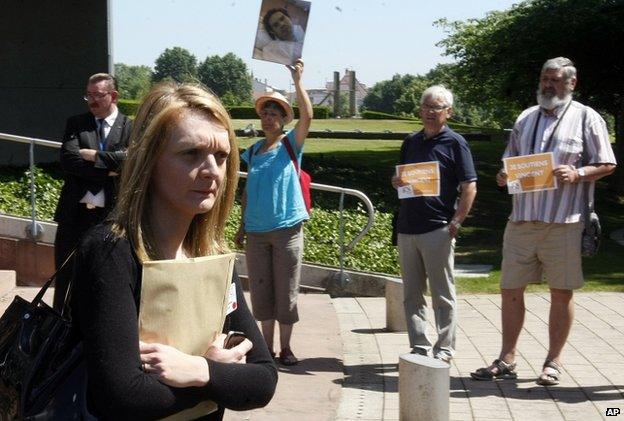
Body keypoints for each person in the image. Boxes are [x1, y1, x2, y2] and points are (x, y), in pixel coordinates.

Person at [70, 82, 277, 419]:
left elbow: (263, 379)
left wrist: (200, 371)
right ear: (149, 160)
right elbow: (123, 396)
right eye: (191, 153)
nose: (212, 170)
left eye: (222, 156)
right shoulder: (111, 252)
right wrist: (220, 378)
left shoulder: (213, 254)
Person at [471, 57, 616, 386]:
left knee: (561, 293)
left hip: (563, 221)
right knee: (509, 290)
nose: (548, 85)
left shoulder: (587, 118)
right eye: (544, 79)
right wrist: (502, 176)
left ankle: (553, 362)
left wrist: (578, 173)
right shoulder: (526, 117)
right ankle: (507, 358)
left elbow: (607, 163)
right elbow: (509, 165)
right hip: (521, 219)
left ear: (571, 83)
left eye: (555, 80)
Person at [391, 85, 477, 363]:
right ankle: (418, 346)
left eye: (437, 107)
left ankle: (444, 348)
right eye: (426, 106)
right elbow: (403, 180)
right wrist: (397, 182)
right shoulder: (411, 141)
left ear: (448, 113)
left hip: (437, 228)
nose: (430, 112)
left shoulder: (455, 143)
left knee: (443, 295)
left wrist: (457, 221)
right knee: (412, 294)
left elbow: (469, 186)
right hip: (407, 227)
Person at [235, 59, 312, 366]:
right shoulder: (253, 151)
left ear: (283, 120)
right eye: (265, 113)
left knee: (287, 292)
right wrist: (241, 227)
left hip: (287, 230)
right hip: (255, 233)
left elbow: (308, 116)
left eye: (274, 113)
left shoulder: (291, 145)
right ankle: (265, 348)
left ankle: (287, 348)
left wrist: (297, 82)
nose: (268, 118)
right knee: (262, 293)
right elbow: (247, 193)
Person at [53, 73, 132, 309]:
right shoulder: (76, 124)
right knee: (65, 279)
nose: (91, 101)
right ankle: (57, 337)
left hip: (111, 217)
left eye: (97, 95)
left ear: (114, 96)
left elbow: (130, 164)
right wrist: (108, 169)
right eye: (88, 95)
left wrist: (93, 156)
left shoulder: (130, 127)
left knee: (104, 281)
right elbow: (68, 160)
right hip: (74, 217)